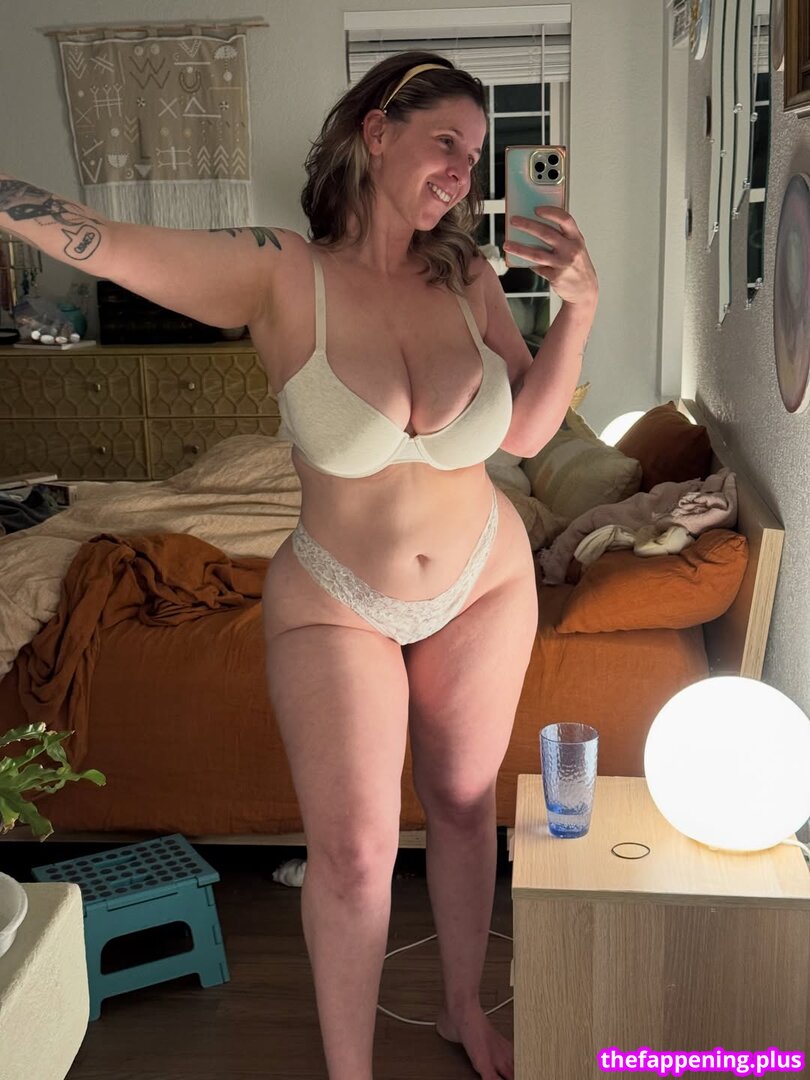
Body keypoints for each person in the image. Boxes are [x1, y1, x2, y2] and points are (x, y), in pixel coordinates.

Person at [0, 50, 597, 1080]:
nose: (464, 172)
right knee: (357, 852)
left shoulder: (467, 277)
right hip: (338, 599)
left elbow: (531, 434)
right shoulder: (281, 271)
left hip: (485, 578)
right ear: (378, 131)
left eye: (475, 153)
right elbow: (114, 245)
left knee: (465, 806)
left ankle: (463, 1007)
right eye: (445, 142)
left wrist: (580, 309)